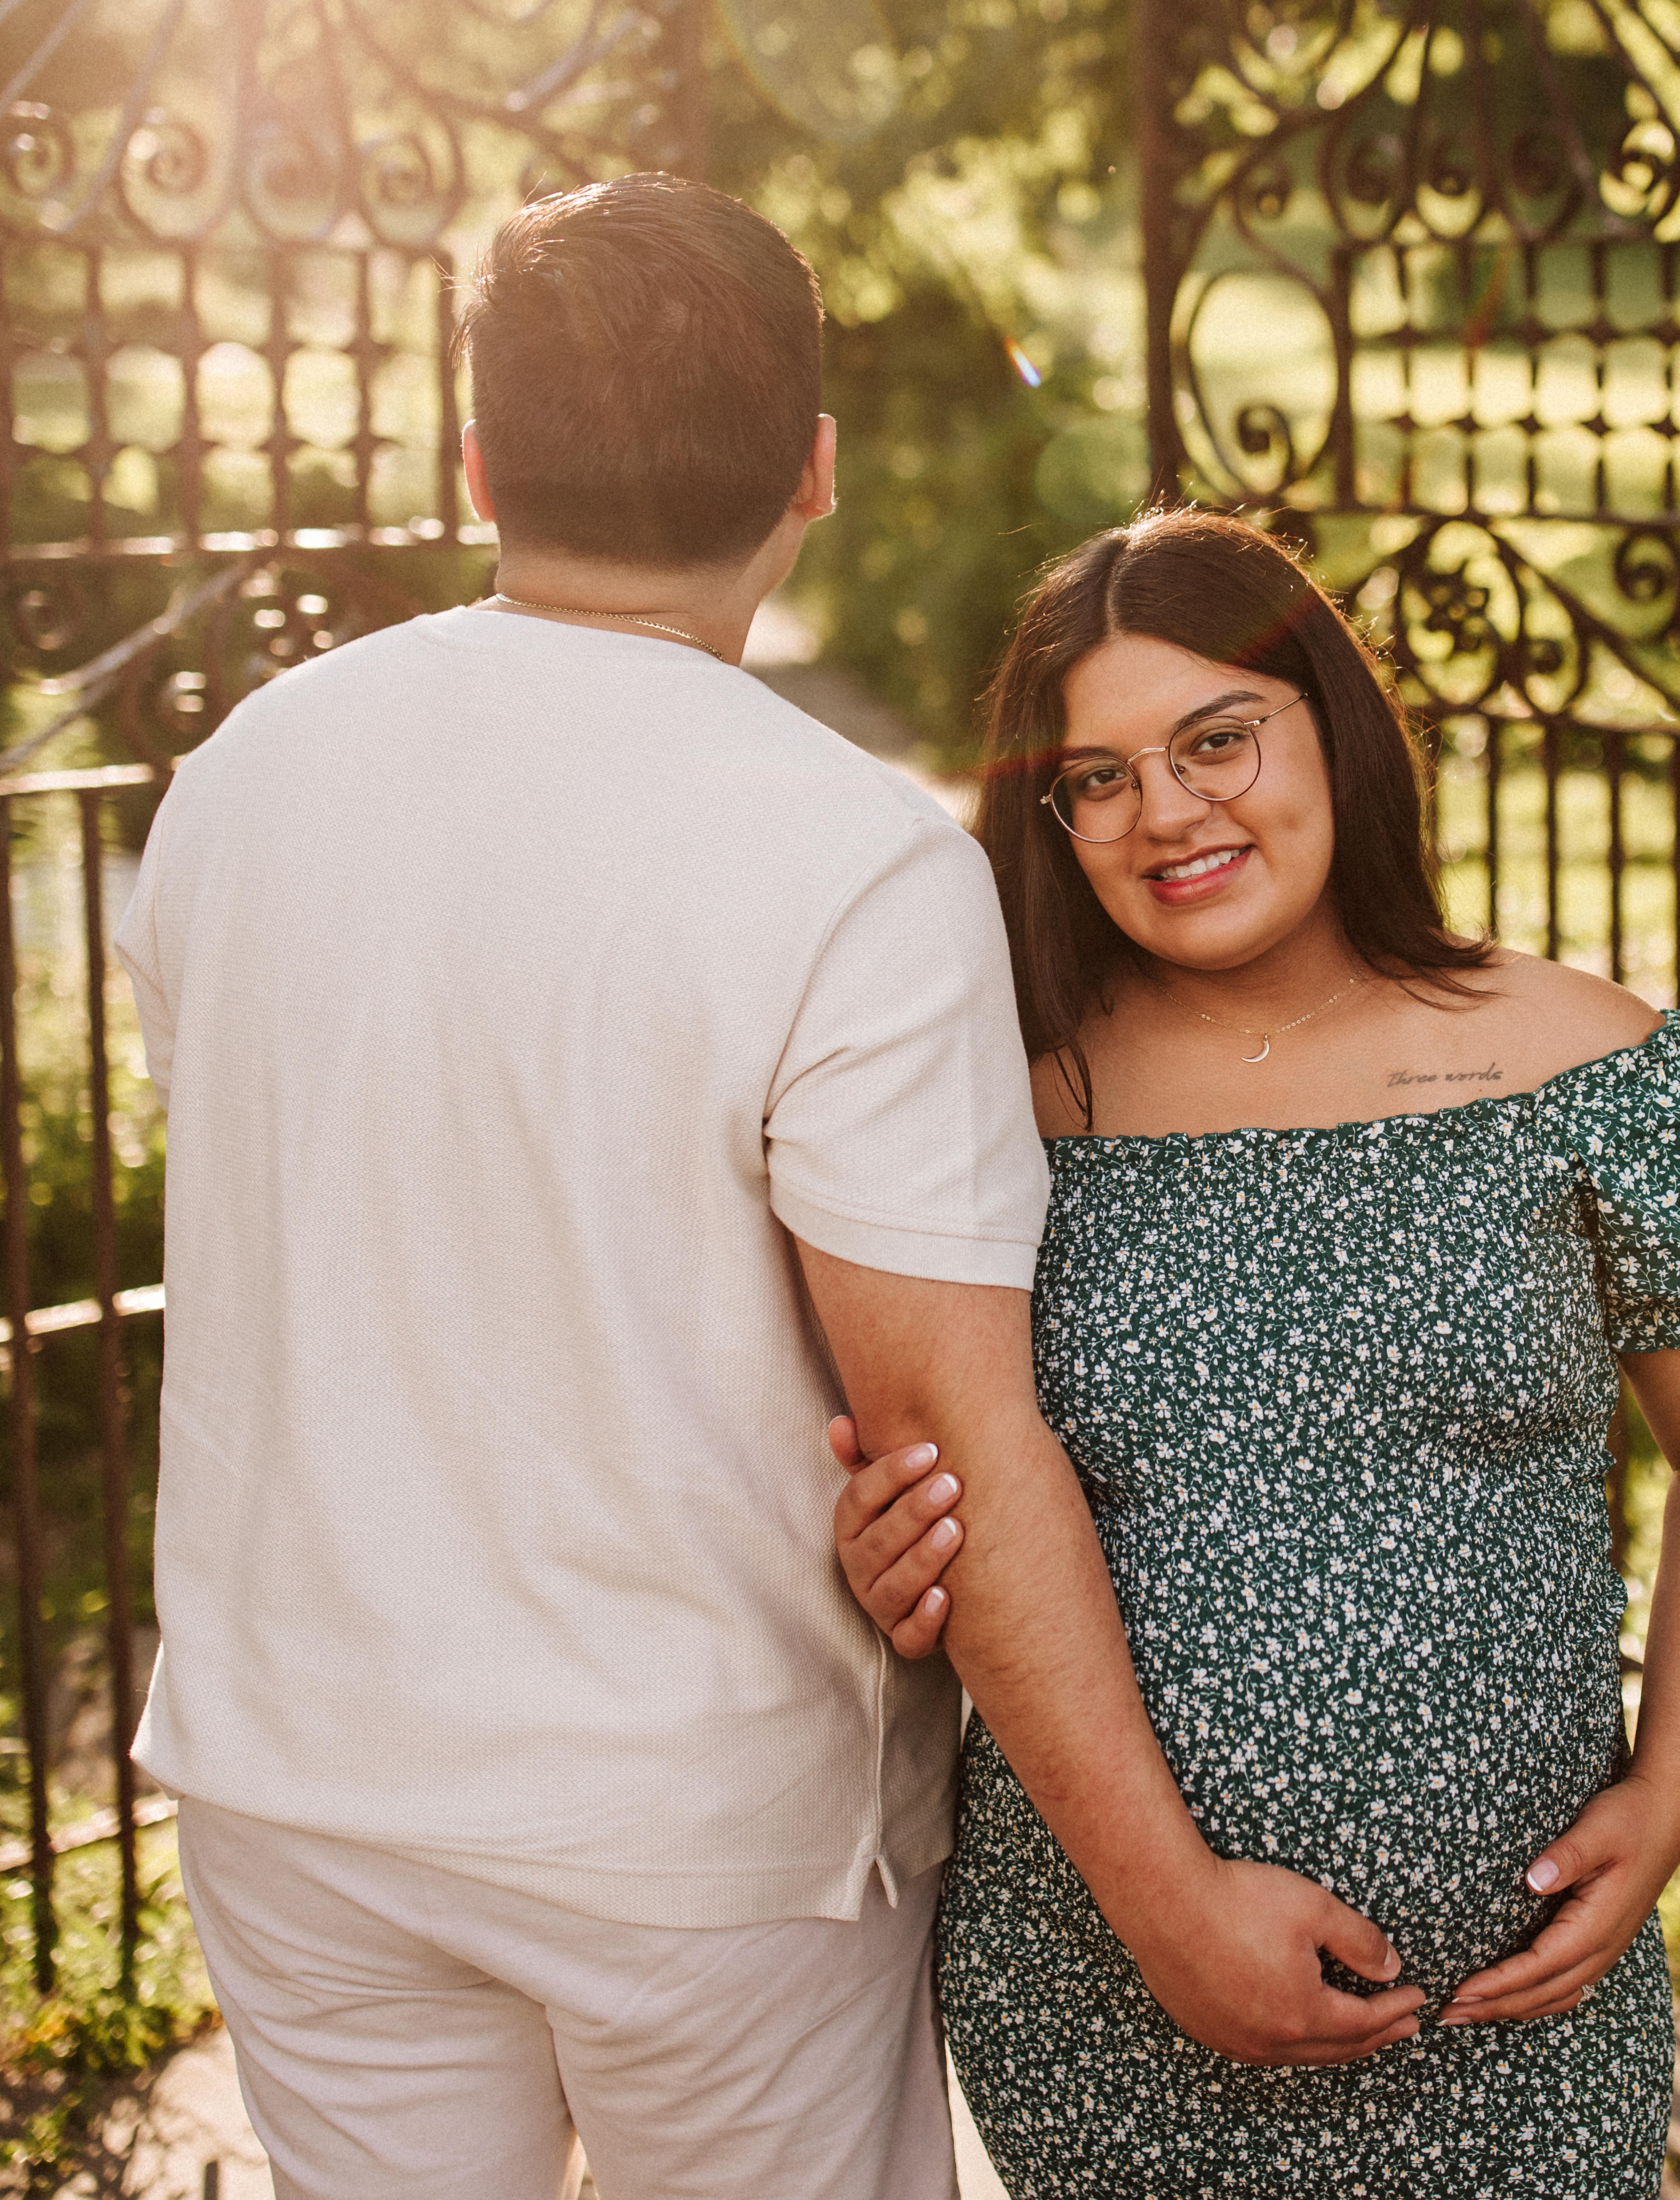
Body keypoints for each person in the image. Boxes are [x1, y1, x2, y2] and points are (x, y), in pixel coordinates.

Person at [112, 179, 1421, 2200]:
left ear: (473, 459)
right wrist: (1167, 1899)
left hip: (300, 1782)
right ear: (812, 465)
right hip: (700, 1831)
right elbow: (943, 1438)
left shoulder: (240, 779)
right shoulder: (851, 863)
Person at [828, 508, 1680, 2196]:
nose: (1166, 813)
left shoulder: (1573, 1058)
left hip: (1515, 2001)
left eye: (1218, 737)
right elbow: (932, 1479)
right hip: (1102, 1987)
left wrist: (1673, 1796)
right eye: (1099, 777)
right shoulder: (990, 1114)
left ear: (1335, 726)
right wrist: (881, 1557)